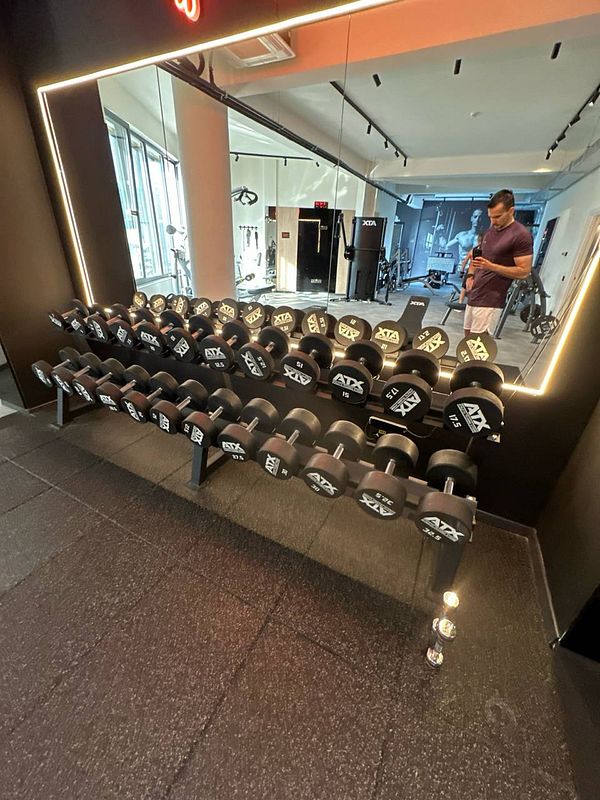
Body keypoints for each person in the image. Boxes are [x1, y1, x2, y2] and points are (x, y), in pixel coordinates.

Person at [464, 190, 533, 336]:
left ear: (511, 211)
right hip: (475, 295)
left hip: (490, 301)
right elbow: (477, 258)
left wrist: (491, 266)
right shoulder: (490, 231)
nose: (493, 221)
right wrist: (470, 276)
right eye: (490, 217)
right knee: (466, 341)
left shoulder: (520, 235)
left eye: (497, 217)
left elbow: (524, 271)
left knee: (478, 347)